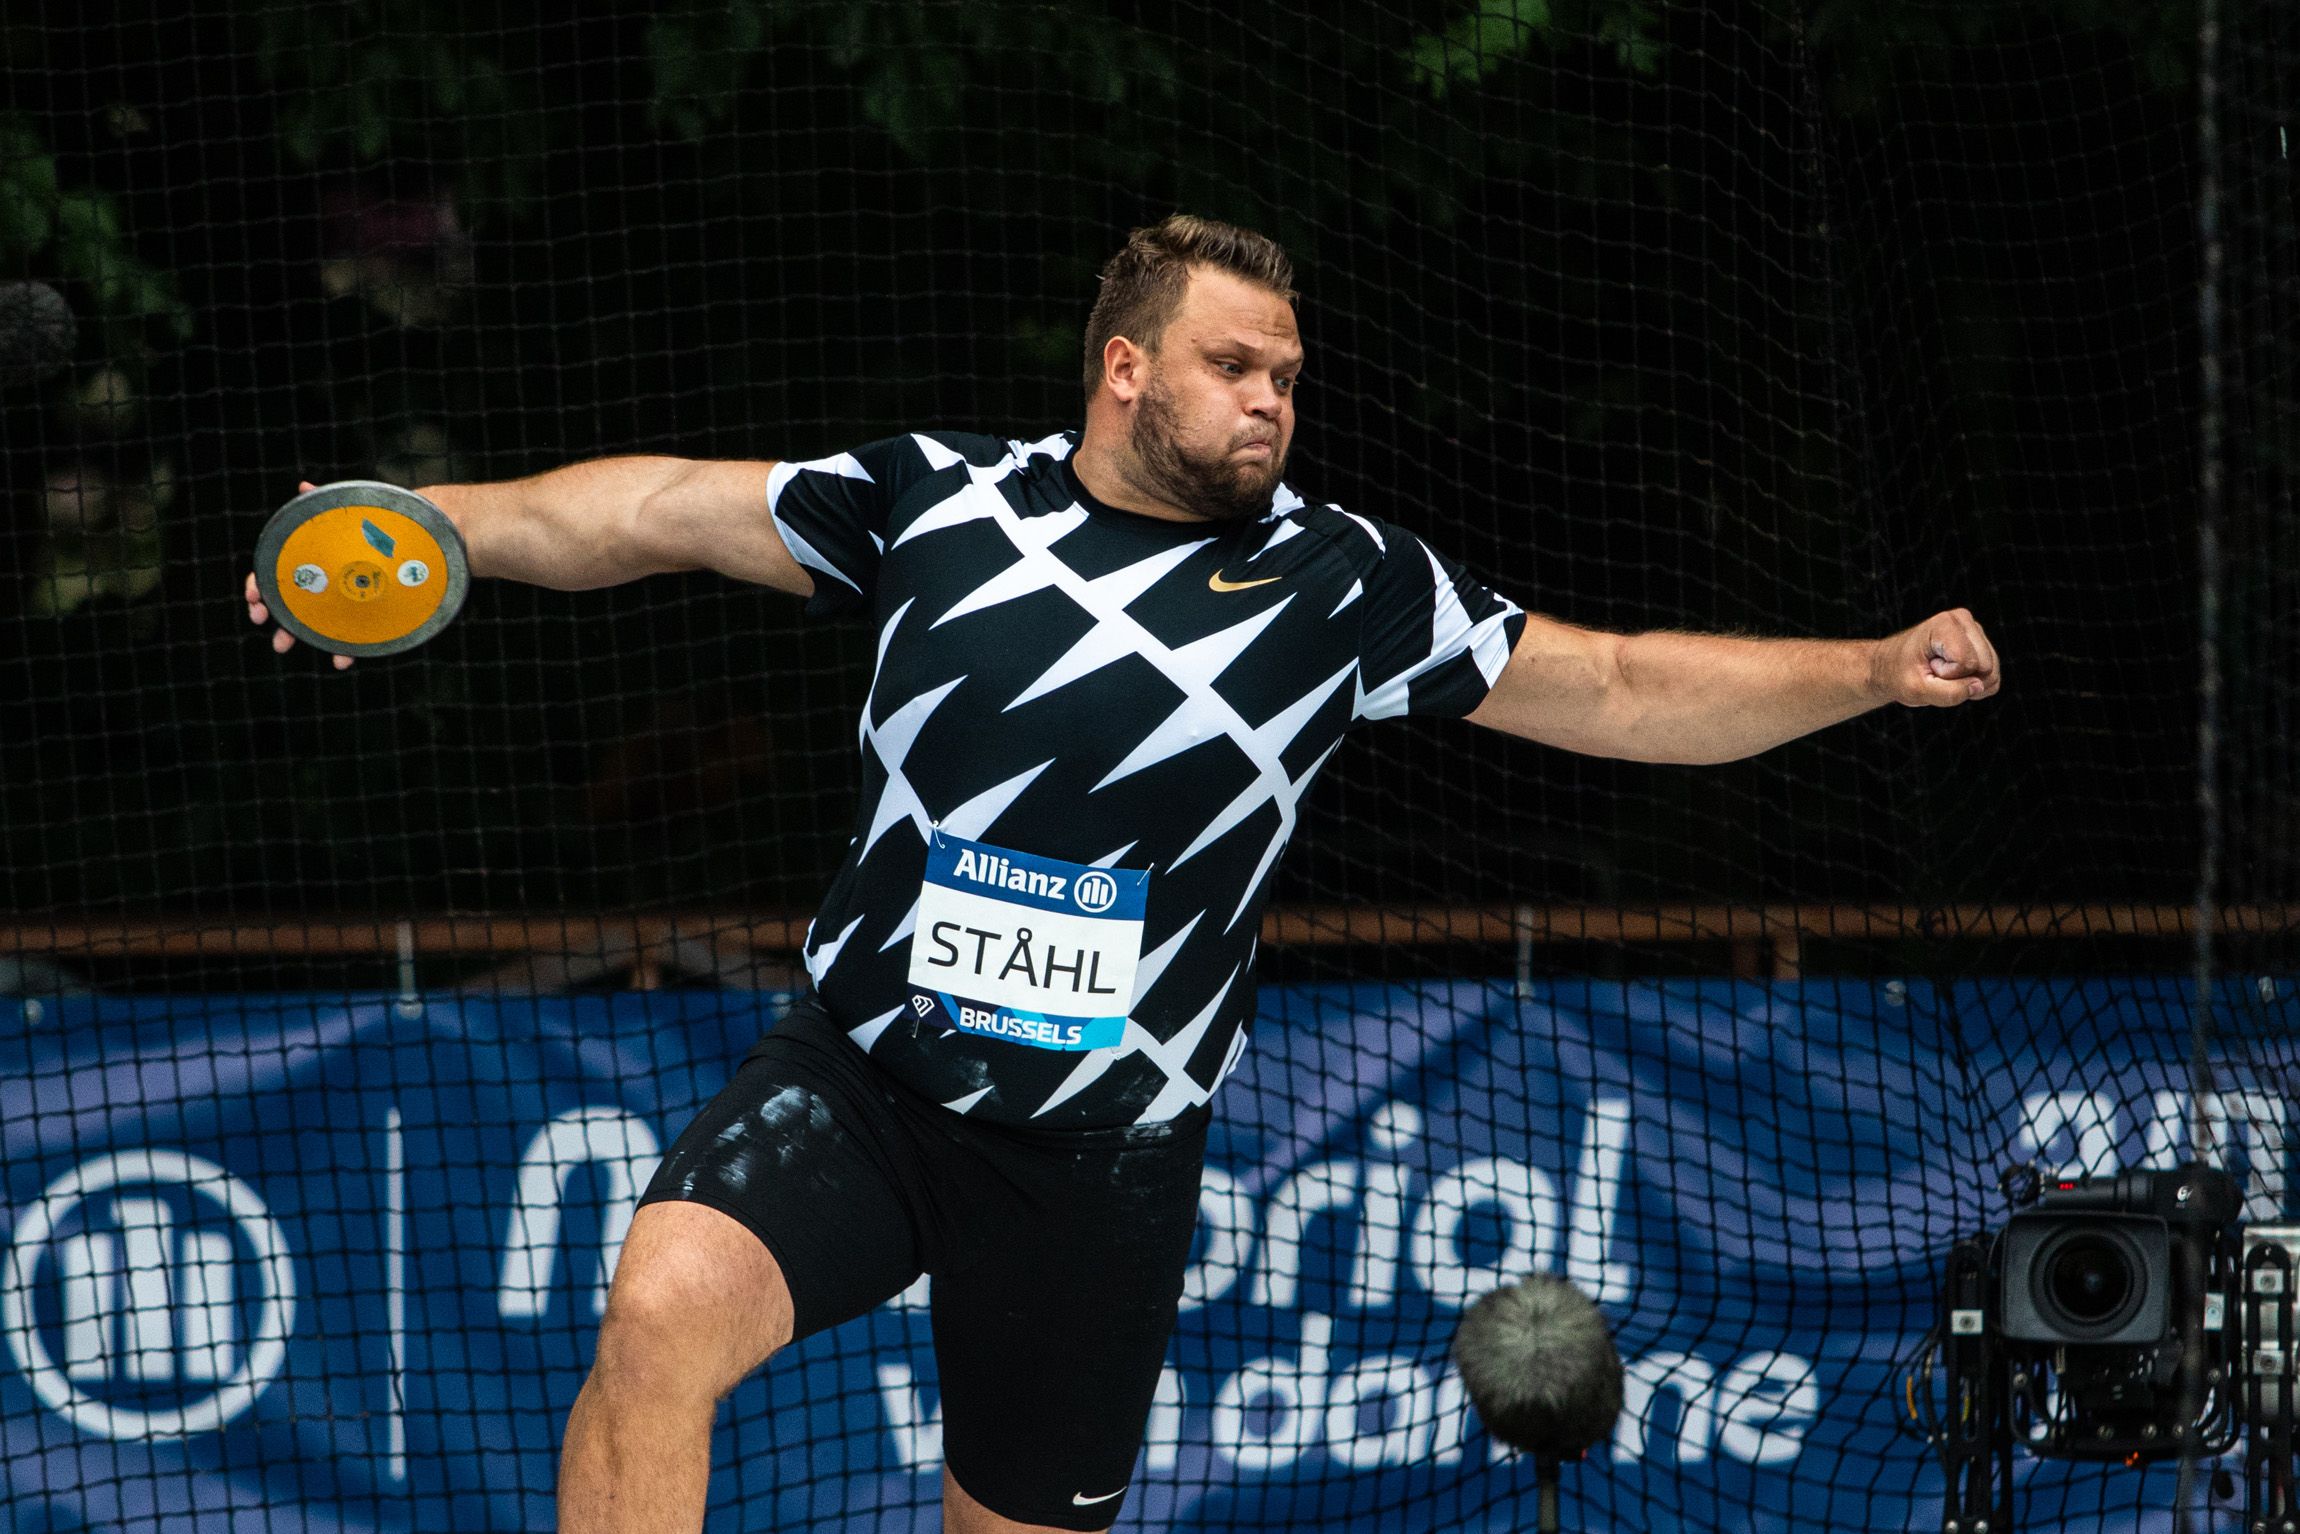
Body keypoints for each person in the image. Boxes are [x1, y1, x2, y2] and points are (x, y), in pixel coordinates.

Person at [245, 214, 2000, 1533]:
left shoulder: (1343, 586)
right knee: (654, 1315)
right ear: (1128, 367)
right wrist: (429, 526)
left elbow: (1611, 684)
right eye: (1240, 366)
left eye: (1292, 378)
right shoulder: (935, 505)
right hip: (863, 1082)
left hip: (1098, 1161)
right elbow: (643, 514)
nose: (1273, 401)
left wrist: (1863, 668)